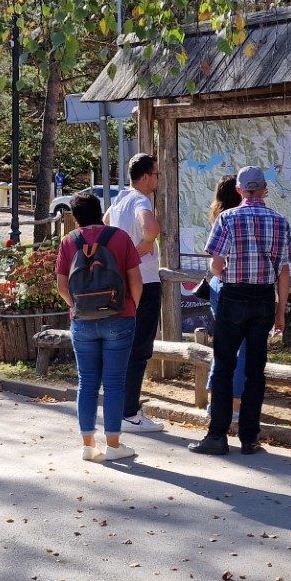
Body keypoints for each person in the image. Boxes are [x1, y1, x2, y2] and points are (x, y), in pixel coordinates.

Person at [189, 165, 291, 456]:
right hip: (263, 298)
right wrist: (281, 311)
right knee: (255, 371)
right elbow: (284, 270)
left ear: (238, 190)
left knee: (224, 366)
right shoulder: (279, 220)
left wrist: (225, 278)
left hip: (233, 297)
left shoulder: (227, 218)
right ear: (265, 189)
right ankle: (250, 437)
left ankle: (217, 436)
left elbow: (216, 264)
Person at [54, 192, 145, 462]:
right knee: (115, 382)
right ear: (99, 210)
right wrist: (132, 307)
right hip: (119, 317)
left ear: (76, 217)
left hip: (82, 322)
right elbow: (136, 280)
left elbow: (61, 286)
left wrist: (76, 307)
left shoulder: (68, 241)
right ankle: (114, 445)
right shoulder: (119, 238)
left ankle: (87, 444)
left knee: (87, 382)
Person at [104, 154, 165, 434]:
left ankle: (122, 407)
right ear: (145, 177)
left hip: (122, 281)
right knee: (140, 347)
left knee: (124, 345)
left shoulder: (119, 200)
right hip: (146, 280)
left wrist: (121, 255)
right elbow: (151, 227)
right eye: (156, 174)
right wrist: (142, 247)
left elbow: (105, 222)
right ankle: (129, 413)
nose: (157, 179)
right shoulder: (141, 200)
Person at [204, 175, 249, 423]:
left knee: (223, 347)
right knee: (242, 348)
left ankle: (215, 404)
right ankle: (234, 405)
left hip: (218, 287)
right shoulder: (240, 220)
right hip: (237, 287)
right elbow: (218, 264)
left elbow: (215, 263)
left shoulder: (219, 219)